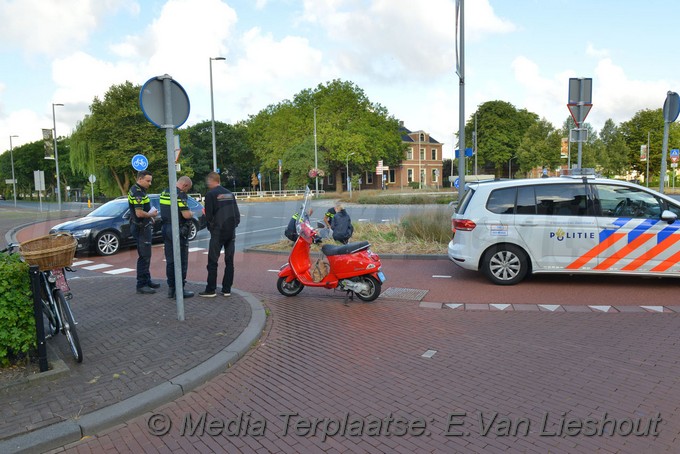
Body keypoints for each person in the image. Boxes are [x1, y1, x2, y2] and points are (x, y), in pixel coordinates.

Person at [200, 171, 241, 298]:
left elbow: (209, 215)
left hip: (218, 233)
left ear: (212, 180)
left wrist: (212, 229)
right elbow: (237, 214)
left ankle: (211, 290)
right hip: (231, 232)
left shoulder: (210, 194)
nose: (207, 183)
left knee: (212, 261)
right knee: (229, 261)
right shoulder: (229, 193)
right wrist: (233, 226)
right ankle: (227, 289)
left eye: (208, 181)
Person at [160, 176, 195, 299]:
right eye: (188, 189)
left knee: (170, 260)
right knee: (181, 260)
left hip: (165, 229)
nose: (187, 192)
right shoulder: (180, 194)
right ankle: (179, 290)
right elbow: (185, 214)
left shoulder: (165, 192)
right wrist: (191, 213)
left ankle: (171, 289)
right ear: (185, 185)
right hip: (177, 229)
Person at [128, 170, 159, 294]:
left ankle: (147, 280)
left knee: (146, 255)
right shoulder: (138, 192)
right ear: (140, 179)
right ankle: (141, 285)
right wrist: (151, 214)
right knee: (144, 256)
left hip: (141, 226)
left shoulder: (137, 189)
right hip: (141, 227)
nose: (150, 183)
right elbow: (139, 213)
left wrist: (149, 216)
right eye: (148, 181)